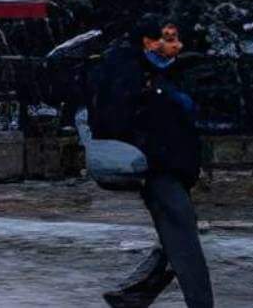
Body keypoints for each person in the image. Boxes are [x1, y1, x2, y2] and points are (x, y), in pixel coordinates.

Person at [92, 16, 212, 308]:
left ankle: (131, 297)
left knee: (177, 239)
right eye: (167, 38)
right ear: (146, 41)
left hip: (176, 169)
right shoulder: (127, 72)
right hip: (156, 169)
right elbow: (114, 119)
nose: (175, 45)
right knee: (185, 244)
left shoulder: (168, 74)